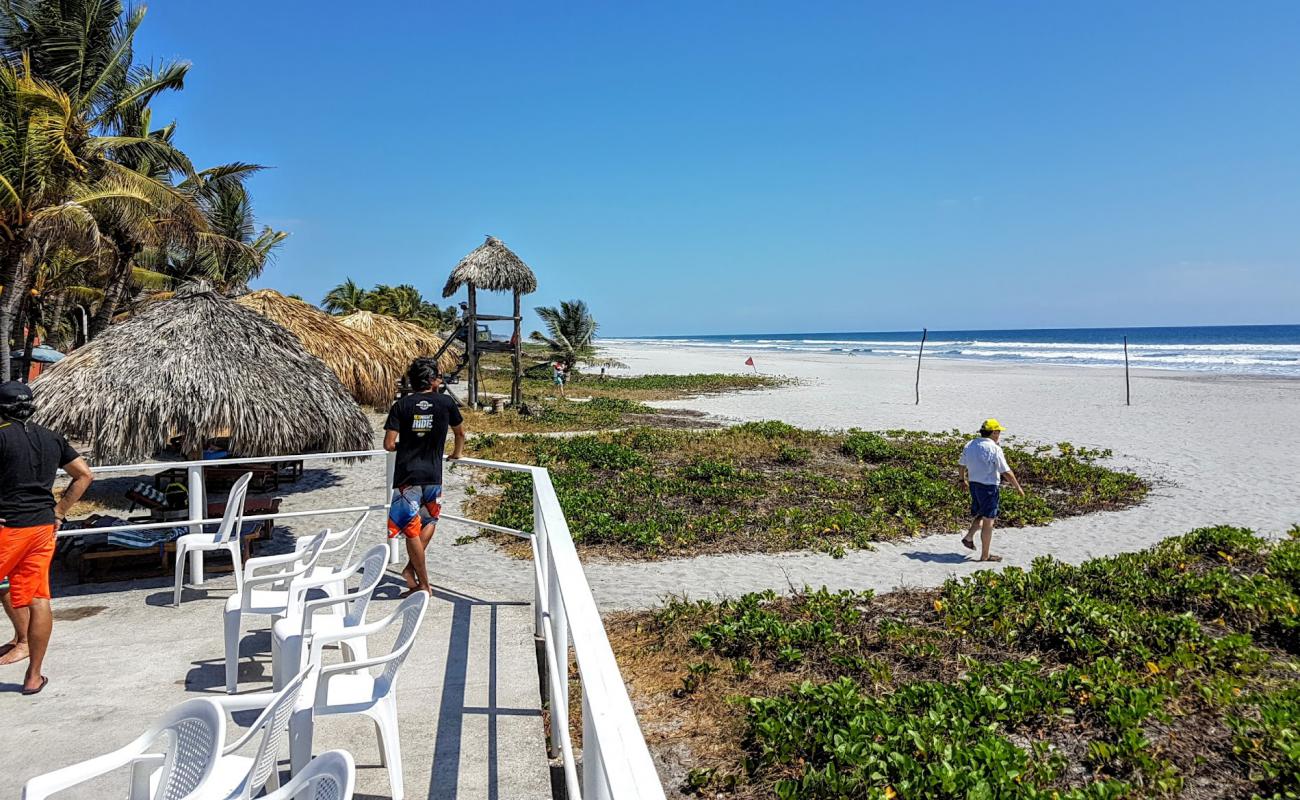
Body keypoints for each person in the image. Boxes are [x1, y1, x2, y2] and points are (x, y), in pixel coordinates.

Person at [0, 381, 94, 694]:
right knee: (38, 599)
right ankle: (33, 677)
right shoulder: (50, 437)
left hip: (7, 528)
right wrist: (59, 512)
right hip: (42, 527)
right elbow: (84, 475)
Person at [384, 358, 465, 596]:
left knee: (411, 530)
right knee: (429, 522)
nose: (440, 380)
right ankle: (417, 578)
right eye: (439, 376)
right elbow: (460, 433)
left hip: (407, 474)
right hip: (432, 474)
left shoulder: (402, 405)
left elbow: (389, 444)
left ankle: (420, 581)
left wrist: (407, 445)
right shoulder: (446, 403)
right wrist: (455, 454)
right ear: (431, 380)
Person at [957, 418, 1024, 562]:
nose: (999, 434)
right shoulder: (994, 448)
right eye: (998, 431)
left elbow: (961, 464)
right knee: (989, 521)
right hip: (988, 487)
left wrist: (962, 480)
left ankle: (969, 537)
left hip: (974, 485)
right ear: (993, 432)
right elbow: (1006, 471)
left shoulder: (970, 444)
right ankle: (985, 556)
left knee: (982, 513)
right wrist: (1018, 487)